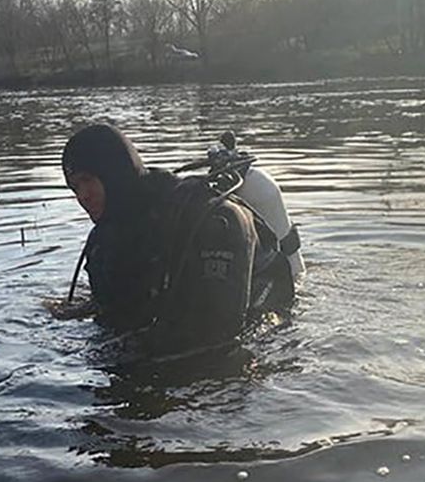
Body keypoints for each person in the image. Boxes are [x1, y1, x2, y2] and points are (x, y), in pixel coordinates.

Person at [57, 123, 294, 352]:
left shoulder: (212, 222)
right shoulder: (106, 240)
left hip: (258, 327)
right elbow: (112, 306)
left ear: (113, 173)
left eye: (87, 180)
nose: (82, 196)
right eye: (75, 187)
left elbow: (218, 336)